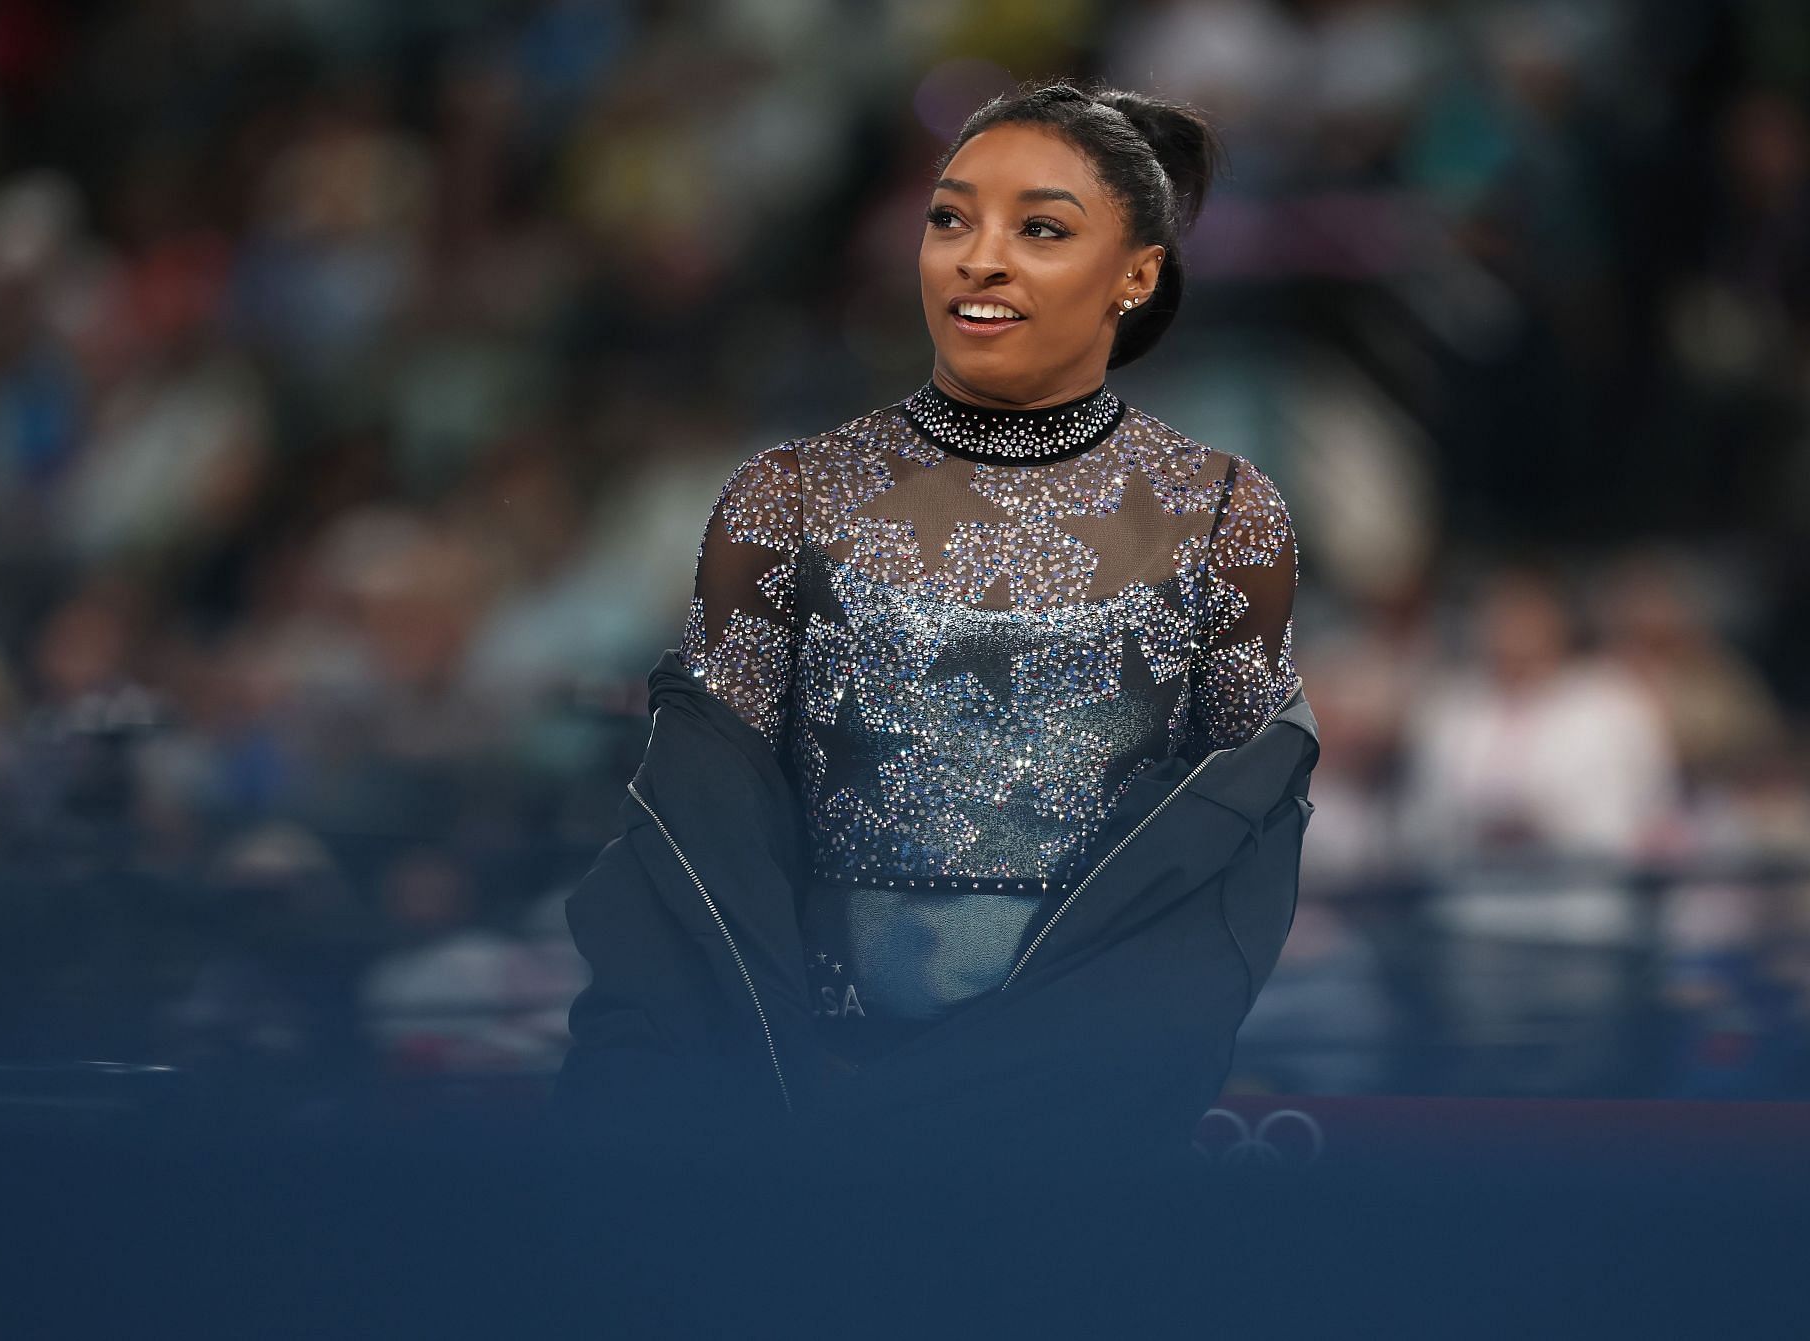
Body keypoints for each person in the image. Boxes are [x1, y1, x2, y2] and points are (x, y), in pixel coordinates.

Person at [552, 80, 1318, 1165]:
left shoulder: (1226, 516)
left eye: (1040, 229)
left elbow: (1230, 841)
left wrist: (1074, 1071)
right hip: (801, 1094)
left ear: (1137, 275)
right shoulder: (788, 499)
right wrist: (775, 1091)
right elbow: (697, 829)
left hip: (1078, 1115)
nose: (978, 259)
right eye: (950, 218)